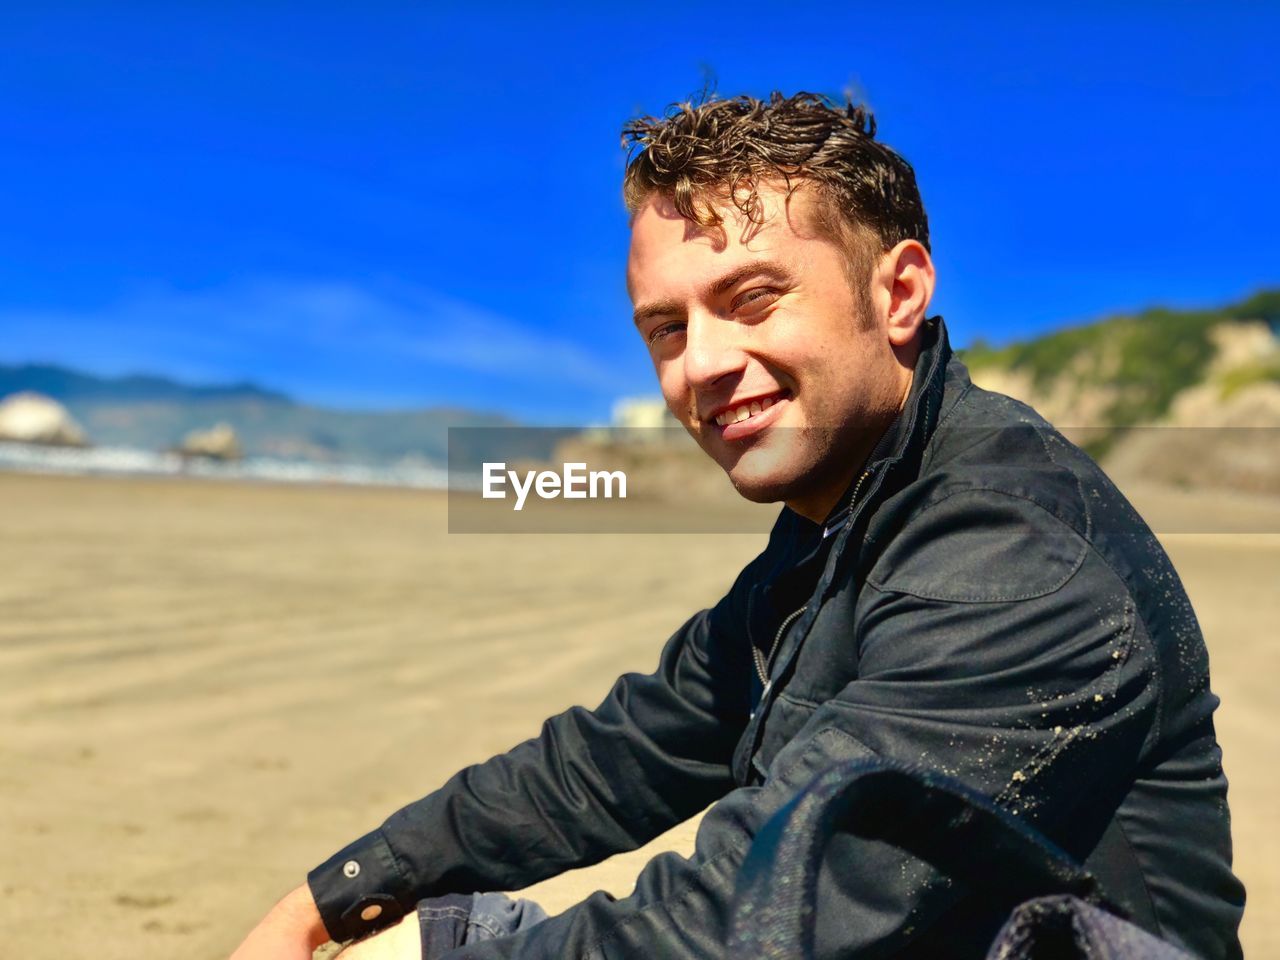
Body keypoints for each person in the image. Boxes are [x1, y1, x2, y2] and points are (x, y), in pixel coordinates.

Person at [229, 91, 1245, 960]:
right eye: (666, 328)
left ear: (896, 292)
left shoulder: (1011, 552)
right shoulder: (837, 525)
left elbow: (749, 921)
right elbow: (615, 757)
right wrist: (334, 895)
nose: (701, 364)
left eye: (751, 300)